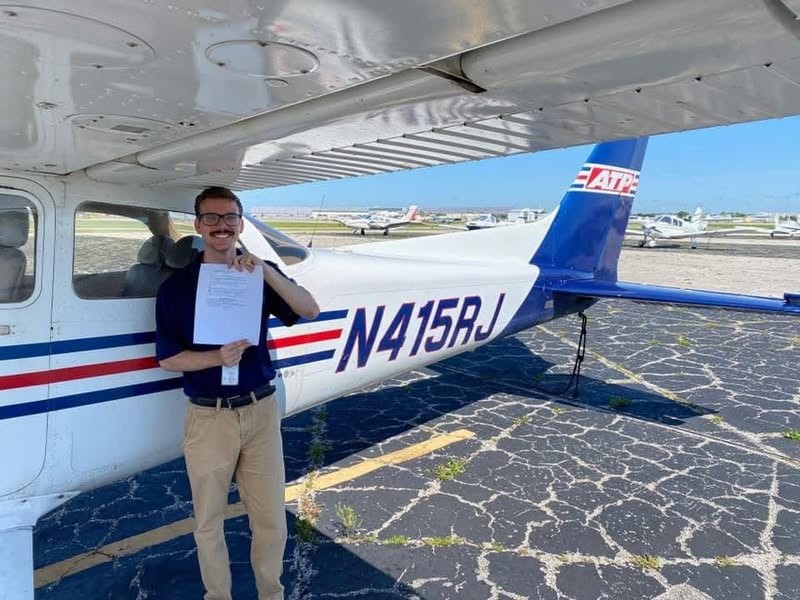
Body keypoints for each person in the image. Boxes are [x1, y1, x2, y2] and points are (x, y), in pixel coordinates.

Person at [155, 186, 319, 600]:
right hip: (209, 417)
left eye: (230, 217)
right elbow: (169, 358)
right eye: (211, 218)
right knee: (208, 523)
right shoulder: (176, 288)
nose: (221, 225)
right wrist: (216, 358)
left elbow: (309, 308)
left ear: (241, 224)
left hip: (260, 410)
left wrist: (265, 270)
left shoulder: (256, 275)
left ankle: (271, 594)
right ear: (198, 225)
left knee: (271, 521)